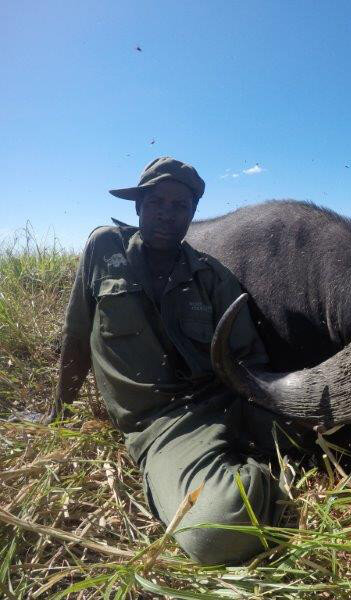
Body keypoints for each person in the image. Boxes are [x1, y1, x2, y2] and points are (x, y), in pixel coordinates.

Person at [47, 157, 286, 564]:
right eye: (157, 201)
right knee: (218, 534)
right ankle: (257, 474)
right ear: (138, 205)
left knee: (335, 435)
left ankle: (255, 451)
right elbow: (76, 338)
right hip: (160, 424)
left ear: (193, 214)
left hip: (224, 400)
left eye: (180, 206)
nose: (167, 214)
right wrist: (58, 412)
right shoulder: (105, 248)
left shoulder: (213, 276)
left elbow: (249, 360)